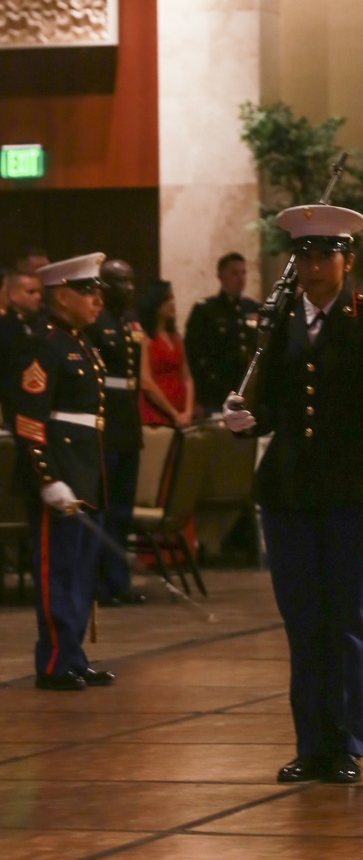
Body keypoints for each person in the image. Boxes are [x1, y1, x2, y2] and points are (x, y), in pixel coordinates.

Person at [222, 205, 363, 786]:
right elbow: (274, 404)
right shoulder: (277, 321)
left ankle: (345, 743)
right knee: (303, 622)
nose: (313, 266)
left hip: (351, 489)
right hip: (290, 490)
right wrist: (246, 420)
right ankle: (311, 744)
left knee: (346, 619)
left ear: (347, 261)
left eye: (324, 255)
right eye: (303, 255)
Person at [12, 253, 116, 690]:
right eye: (88, 291)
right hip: (61, 472)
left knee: (79, 570)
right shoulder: (45, 344)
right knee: (58, 570)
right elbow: (30, 419)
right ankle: (53, 661)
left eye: (98, 292)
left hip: (85, 470)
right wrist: (47, 478)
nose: (96, 300)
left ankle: (73, 655)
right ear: (61, 295)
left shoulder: (79, 344)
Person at [87, 260, 145, 607]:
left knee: (123, 511)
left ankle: (120, 582)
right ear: (104, 287)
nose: (129, 287)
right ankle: (102, 584)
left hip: (126, 424)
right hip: (106, 423)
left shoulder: (127, 324)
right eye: (121, 281)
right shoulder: (97, 324)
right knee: (105, 509)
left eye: (130, 280)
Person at [185, 253, 260, 416]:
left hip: (244, 393)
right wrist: (197, 399)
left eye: (243, 272)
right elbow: (193, 356)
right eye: (234, 273)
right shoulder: (206, 310)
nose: (241, 278)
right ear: (221, 276)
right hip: (215, 393)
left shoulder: (252, 308)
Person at [138, 280, 194, 427]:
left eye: (172, 298)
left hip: (181, 414)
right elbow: (146, 381)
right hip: (156, 414)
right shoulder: (145, 338)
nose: (173, 303)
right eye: (167, 299)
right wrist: (173, 412)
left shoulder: (175, 337)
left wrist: (188, 411)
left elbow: (187, 377)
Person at [0, 269, 43, 426]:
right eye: (30, 292)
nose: (38, 297)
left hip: (35, 406)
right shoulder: (5, 327)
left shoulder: (40, 325)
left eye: (39, 292)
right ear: (12, 294)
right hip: (12, 406)